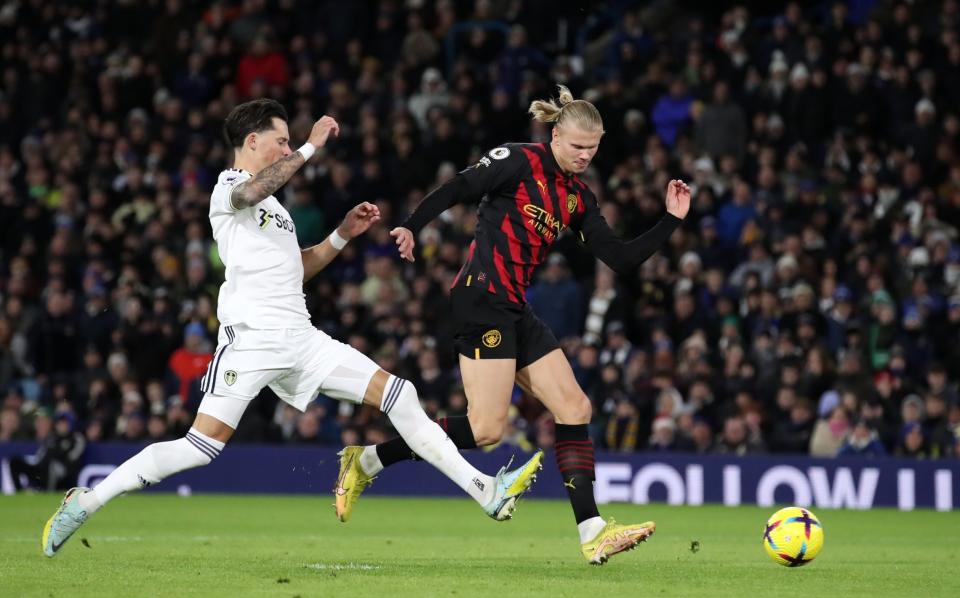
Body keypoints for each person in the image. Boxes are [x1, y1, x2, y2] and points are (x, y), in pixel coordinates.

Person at [41, 99, 542, 558]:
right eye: (280, 139)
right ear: (251, 141)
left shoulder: (275, 210)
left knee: (400, 394)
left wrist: (342, 235)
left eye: (290, 141)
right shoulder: (228, 188)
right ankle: (88, 500)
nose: (287, 147)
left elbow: (297, 269)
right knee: (199, 450)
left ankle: (485, 491)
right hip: (251, 341)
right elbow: (255, 187)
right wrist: (310, 145)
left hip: (301, 339)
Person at [337, 85, 690, 564]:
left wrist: (670, 220)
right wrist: (412, 226)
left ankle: (593, 531)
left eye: (594, 147)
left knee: (575, 406)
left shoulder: (577, 199)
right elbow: (459, 187)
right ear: (556, 134)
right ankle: (369, 460)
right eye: (577, 146)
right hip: (480, 300)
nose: (585, 155)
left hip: (514, 308)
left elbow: (621, 258)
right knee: (486, 429)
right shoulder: (518, 161)